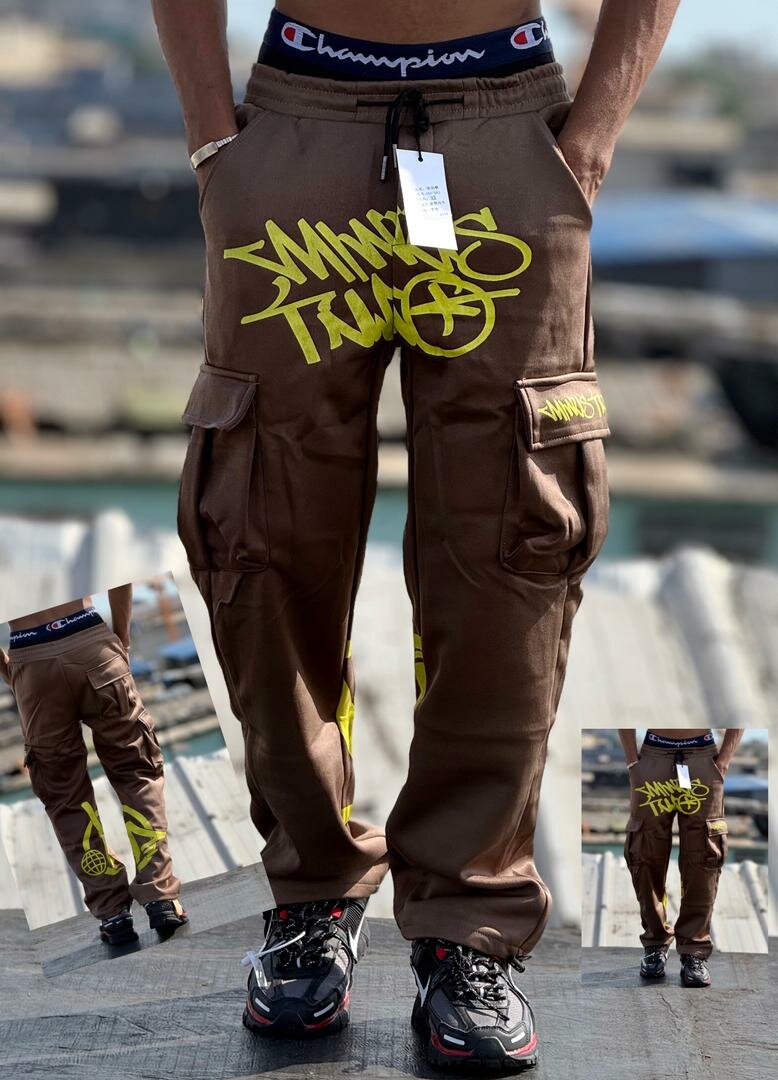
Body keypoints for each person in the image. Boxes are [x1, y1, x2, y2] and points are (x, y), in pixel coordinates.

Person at [153, 0, 680, 1067]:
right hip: (299, 128)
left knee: (514, 538)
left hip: (505, 132)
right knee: (261, 524)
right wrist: (214, 139)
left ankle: (467, 918)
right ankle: (311, 891)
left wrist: (586, 146)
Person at [0, 588, 188, 945]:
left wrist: (9, 669)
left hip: (30, 657)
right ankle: (160, 895)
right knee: (137, 770)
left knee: (64, 795)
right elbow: (119, 578)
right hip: (90, 639)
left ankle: (112, 912)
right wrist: (121, 638)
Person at [618, 727, 744, 988]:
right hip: (653, 758)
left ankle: (694, 950)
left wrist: (723, 762)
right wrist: (632, 762)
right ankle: (655, 944)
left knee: (704, 857)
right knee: (644, 853)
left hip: (703, 759)